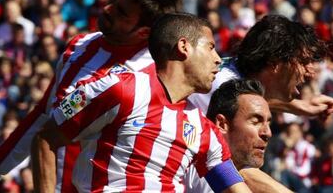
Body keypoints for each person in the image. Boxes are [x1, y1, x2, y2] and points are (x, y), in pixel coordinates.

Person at [0, 0, 183, 193]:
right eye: (114, 0)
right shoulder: (79, 46)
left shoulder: (153, 78)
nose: (107, 9)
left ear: (144, 32)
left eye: (121, 12)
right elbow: (43, 114)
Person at [32, 13, 251, 193]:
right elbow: (46, 138)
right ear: (184, 46)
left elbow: (234, 187)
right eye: (211, 47)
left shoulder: (205, 132)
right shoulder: (120, 88)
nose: (217, 59)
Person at [189, 14, 333, 118]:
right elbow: (242, 103)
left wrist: (302, 106)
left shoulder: (234, 76)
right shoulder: (223, 89)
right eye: (303, 62)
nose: (310, 72)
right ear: (275, 63)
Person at [186, 78, 293, 193]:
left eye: (269, 123)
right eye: (256, 121)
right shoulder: (200, 168)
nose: (268, 133)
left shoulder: (239, 169)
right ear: (222, 124)